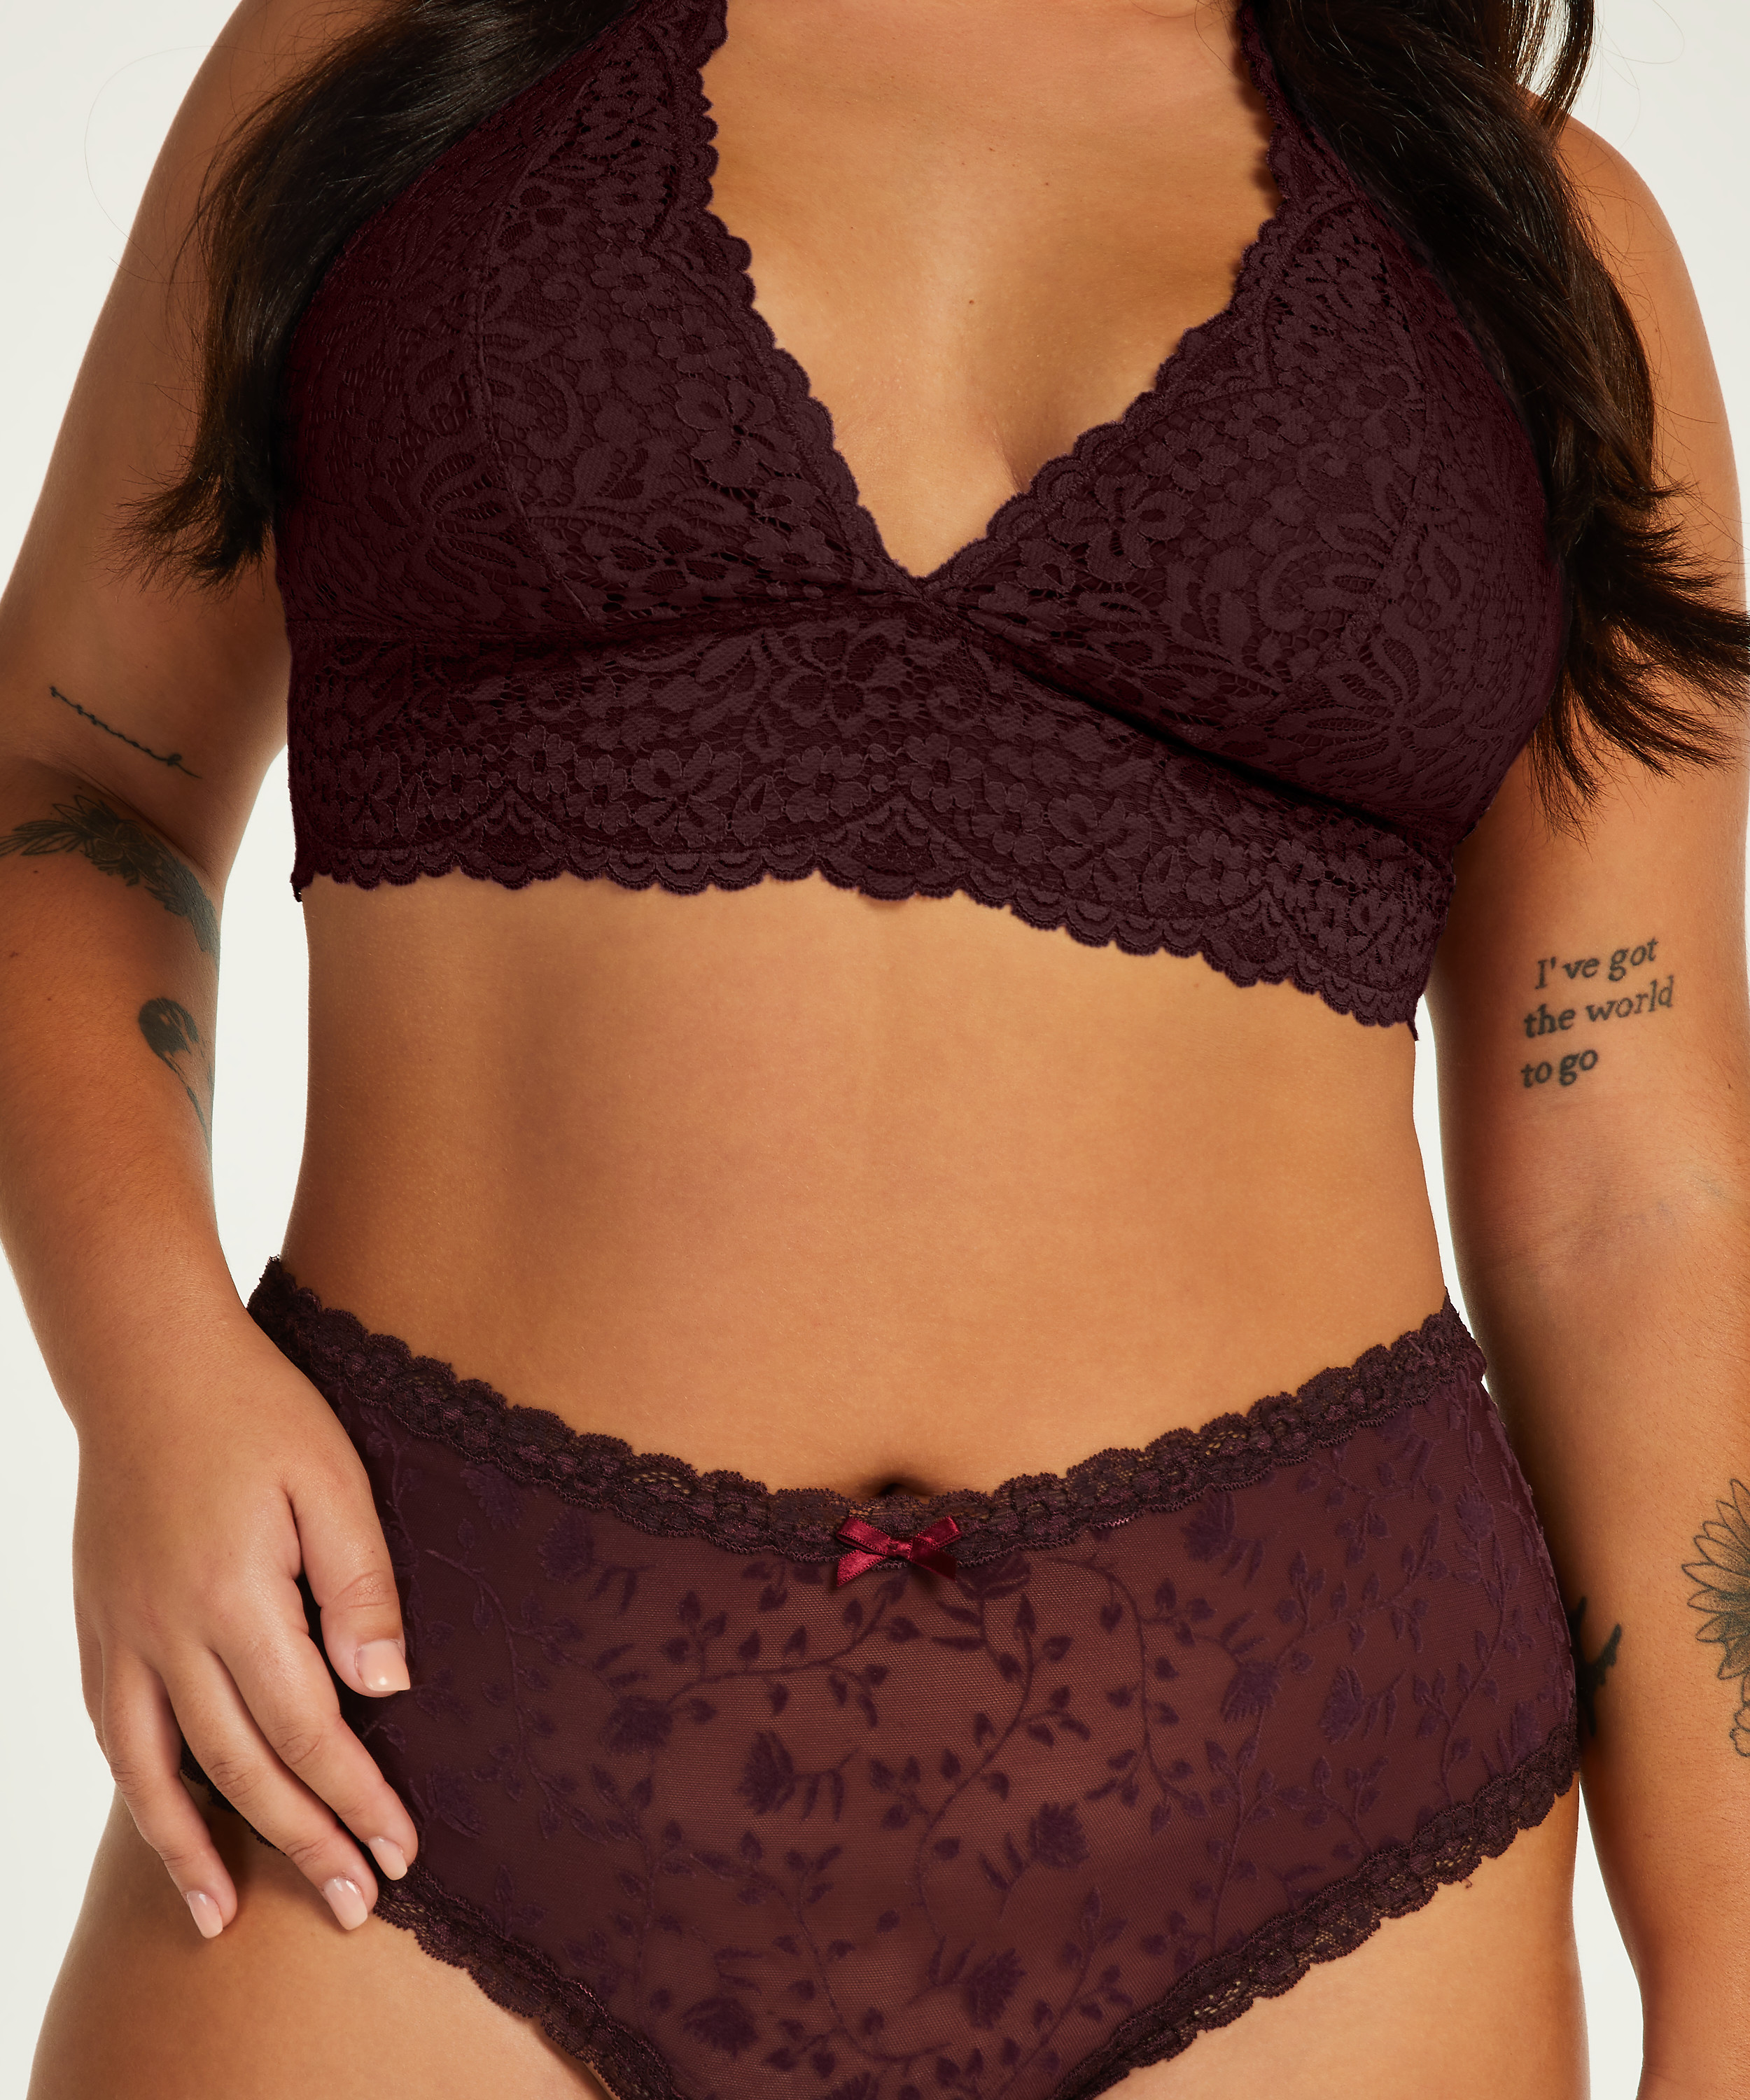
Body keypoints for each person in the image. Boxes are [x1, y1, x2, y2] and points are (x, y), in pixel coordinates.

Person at [6, 0, 1746, 2092]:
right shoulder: (396, 48)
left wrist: (1734, 1968)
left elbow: (1631, 1192)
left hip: (1320, 1784)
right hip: (409, 1710)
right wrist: (143, 1372)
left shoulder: (1535, 242)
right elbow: (73, 793)